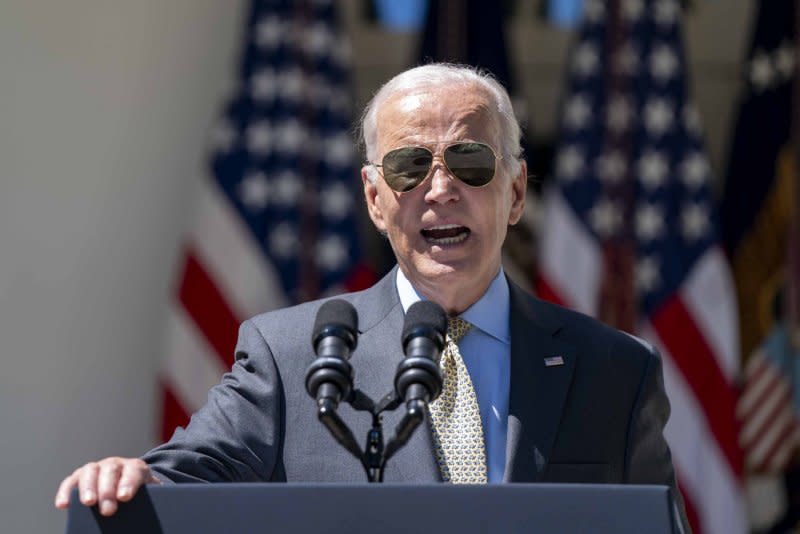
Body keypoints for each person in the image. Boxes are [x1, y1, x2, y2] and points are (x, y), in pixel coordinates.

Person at [55, 63, 689, 531]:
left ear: (516, 192)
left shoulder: (616, 369)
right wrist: (134, 476)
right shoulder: (290, 354)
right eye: (410, 167)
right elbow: (190, 470)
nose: (440, 190)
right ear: (374, 198)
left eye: (469, 161)